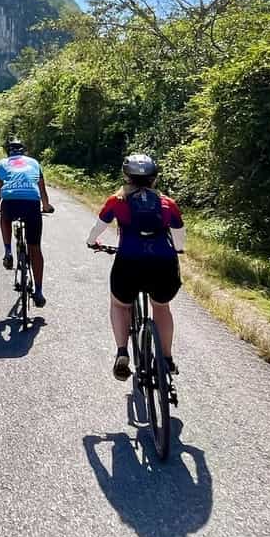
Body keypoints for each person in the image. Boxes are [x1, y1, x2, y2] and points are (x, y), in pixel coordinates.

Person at [84, 153, 185, 381]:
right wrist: (178, 250)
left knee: (119, 305)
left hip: (129, 262)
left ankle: (122, 352)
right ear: (154, 178)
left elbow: (98, 228)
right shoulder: (167, 203)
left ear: (126, 177)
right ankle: (167, 359)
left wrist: (92, 243)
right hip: (163, 264)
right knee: (161, 307)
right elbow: (180, 236)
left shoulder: (116, 201)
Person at [0, 139, 56, 306]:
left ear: (8, 152)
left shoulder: (2, 163)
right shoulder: (34, 162)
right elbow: (42, 189)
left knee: (4, 216)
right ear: (24, 152)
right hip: (32, 204)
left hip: (10, 203)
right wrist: (46, 206)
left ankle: (8, 251)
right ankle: (39, 291)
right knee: (35, 248)